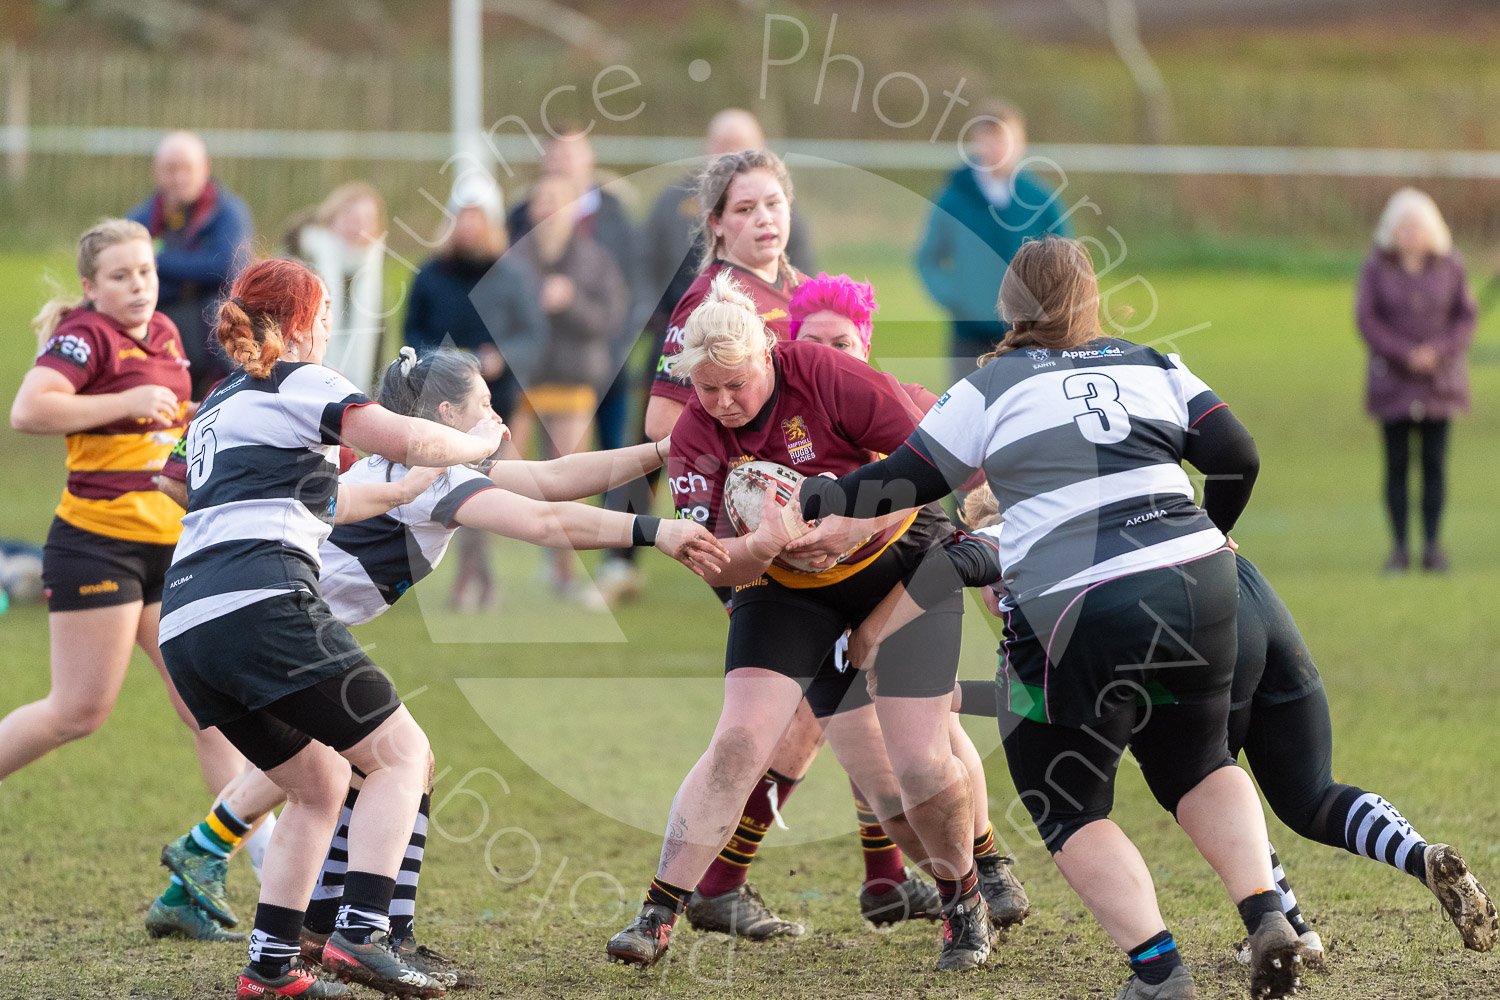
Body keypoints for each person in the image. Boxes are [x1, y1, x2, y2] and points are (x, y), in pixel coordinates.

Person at [798, 236, 1305, 1000]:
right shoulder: (1152, 363)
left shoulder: (993, 382)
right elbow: (1239, 452)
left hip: (1078, 599)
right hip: (1201, 583)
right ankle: (1267, 914)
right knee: (1201, 760)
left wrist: (821, 499)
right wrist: (1209, 528)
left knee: (1064, 797)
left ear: (1007, 310)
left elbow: (904, 480)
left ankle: (1160, 972)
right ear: (1091, 299)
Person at [146, 346, 727, 987]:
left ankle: (314, 922)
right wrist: (653, 530)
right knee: (394, 762)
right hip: (280, 627)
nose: (499, 418)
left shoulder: (414, 466)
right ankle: (366, 929)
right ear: (447, 413)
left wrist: (655, 455)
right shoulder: (434, 477)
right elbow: (545, 519)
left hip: (250, 623)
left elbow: (556, 479)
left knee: (344, 771)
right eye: (483, 403)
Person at [606, 273, 995, 974]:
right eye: (707, 389)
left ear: (768, 355)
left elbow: (932, 465)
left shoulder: (824, 374)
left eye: (736, 385)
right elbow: (718, 567)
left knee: (917, 761)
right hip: (787, 588)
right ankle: (658, 913)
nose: (722, 404)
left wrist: (850, 523)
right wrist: (762, 544)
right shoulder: (697, 433)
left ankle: (965, 901)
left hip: (900, 561)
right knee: (739, 740)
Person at [936, 484, 1499, 966]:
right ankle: (1419, 854)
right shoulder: (1114, 505)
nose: (991, 595)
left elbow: (1041, 697)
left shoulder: (1029, 577)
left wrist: (945, 692)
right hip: (1244, 592)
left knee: (1203, 779)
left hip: (1186, 630)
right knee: (1311, 794)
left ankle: (1291, 930)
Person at [156, 257, 509, 999]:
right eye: (324, 318)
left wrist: (403, 489)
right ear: (304, 324)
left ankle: (272, 967)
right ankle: (361, 933)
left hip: (186, 623)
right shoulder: (301, 378)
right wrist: (477, 445)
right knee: (403, 756)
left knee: (319, 783)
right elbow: (404, 436)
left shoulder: (219, 402)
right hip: (261, 605)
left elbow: (315, 501)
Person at [2, 219, 244, 821]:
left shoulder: (162, 331)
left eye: (146, 272)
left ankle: (245, 857)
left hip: (171, 544)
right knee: (78, 713)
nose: (138, 286)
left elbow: (158, 422)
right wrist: (127, 403)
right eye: (120, 276)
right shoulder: (85, 337)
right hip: (100, 544)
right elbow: (29, 410)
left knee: (206, 708)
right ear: (91, 286)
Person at [597, 112, 818, 602]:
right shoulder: (706, 302)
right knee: (646, 450)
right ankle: (618, 561)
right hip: (753, 511)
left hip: (805, 498)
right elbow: (664, 426)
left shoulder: (800, 290)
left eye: (773, 204)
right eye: (745, 208)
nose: (763, 217)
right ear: (715, 220)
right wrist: (749, 472)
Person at [404, 171, 546, 611]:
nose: (468, 226)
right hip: (444, 407)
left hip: (495, 406)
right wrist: (449, 360)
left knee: (481, 490)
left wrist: (501, 357)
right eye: (461, 216)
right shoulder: (430, 276)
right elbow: (412, 337)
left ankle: (470, 582)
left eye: (476, 217)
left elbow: (533, 337)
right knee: (460, 491)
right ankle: (476, 582)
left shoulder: (512, 275)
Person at [510, 172, 629, 603]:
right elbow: (495, 315)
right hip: (521, 381)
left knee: (564, 480)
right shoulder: (515, 258)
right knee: (499, 473)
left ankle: (562, 572)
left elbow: (609, 319)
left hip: (574, 380)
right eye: (540, 201)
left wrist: (570, 300)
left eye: (556, 201)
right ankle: (481, 576)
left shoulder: (594, 259)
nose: (547, 210)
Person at [1355, 187, 1476, 574]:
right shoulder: (1376, 267)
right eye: (1403, 226)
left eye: (1417, 226)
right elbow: (1367, 319)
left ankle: (1433, 547)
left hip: (1440, 386)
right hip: (1393, 384)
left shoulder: (1451, 266)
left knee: (1434, 465)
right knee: (1396, 466)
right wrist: (1404, 353)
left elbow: (1465, 318)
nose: (1410, 234)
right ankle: (1399, 548)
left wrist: (1437, 352)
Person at [916, 101, 1072, 384]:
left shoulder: (1039, 197)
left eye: (1005, 139)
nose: (997, 148)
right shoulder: (955, 198)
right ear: (976, 141)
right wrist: (957, 298)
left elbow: (1066, 260)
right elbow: (928, 258)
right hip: (970, 336)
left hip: (1029, 334)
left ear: (1021, 142)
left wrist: (1047, 307)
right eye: (989, 138)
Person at [128, 130, 253, 399]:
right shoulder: (140, 218)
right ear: (156, 171)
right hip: (153, 344)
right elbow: (125, 280)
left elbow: (224, 268)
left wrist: (154, 262)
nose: (178, 178)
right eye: (170, 169)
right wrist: (192, 277)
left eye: (187, 168)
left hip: (218, 350)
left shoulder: (229, 213)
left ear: (205, 167)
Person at [293, 181, 388, 392]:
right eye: (351, 217)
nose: (359, 226)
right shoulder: (301, 259)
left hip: (358, 389)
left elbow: (379, 343)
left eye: (367, 219)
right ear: (332, 217)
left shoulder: (372, 270)